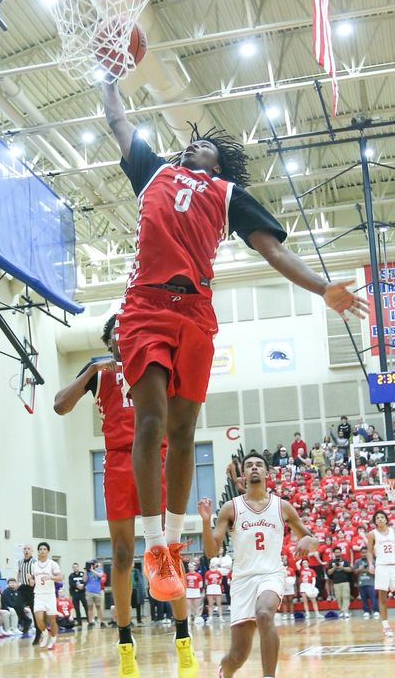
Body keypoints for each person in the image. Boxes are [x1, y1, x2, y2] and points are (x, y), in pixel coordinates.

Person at [102, 78, 368, 603]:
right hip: (145, 306)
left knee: (183, 432)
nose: (192, 145)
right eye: (190, 143)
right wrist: (111, 75)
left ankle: (173, 545)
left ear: (217, 163)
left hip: (195, 309)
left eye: (204, 145)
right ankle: (156, 545)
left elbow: (274, 252)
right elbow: (117, 119)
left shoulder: (227, 195)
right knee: (150, 419)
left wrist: (322, 288)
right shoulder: (153, 170)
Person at [54, 313, 198, 677]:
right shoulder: (100, 375)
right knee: (120, 555)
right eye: (118, 333)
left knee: (166, 549)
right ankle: (124, 644)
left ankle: (183, 640)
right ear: (110, 342)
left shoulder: (155, 367)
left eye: (130, 331)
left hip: (159, 458)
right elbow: (59, 404)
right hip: (118, 463)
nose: (124, 337)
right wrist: (88, 370)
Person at [198, 452, 318, 678]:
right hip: (242, 580)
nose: (254, 468)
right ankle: (226, 671)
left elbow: (314, 541)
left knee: (264, 614)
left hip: (271, 574)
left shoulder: (282, 506)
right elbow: (211, 551)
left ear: (266, 472)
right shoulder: (230, 508)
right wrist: (206, 522)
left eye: (259, 465)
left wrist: (306, 540)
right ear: (243, 474)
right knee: (237, 656)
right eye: (249, 465)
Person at [29, 541, 63, 650]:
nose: (42, 551)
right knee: (38, 619)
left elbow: (60, 577)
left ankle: (53, 640)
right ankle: (45, 633)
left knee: (52, 620)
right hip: (38, 595)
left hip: (50, 595)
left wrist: (50, 577)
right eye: (40, 549)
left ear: (48, 551)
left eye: (44, 549)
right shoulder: (34, 565)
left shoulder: (53, 564)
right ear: (38, 551)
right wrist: (30, 579)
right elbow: (32, 583)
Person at [367, 509, 394, 637]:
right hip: (382, 567)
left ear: (386, 519)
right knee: (382, 597)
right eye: (377, 518)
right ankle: (385, 625)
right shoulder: (372, 534)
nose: (380, 519)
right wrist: (370, 563)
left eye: (382, 517)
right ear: (375, 522)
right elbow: (369, 551)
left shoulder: (393, 532)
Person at [16, 544, 37, 639]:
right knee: (17, 605)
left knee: (34, 609)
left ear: (32, 551)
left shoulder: (35, 562)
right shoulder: (20, 561)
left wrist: (33, 580)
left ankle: (38, 629)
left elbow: (37, 575)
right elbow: (19, 572)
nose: (26, 550)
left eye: (28, 549)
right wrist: (17, 582)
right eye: (24, 549)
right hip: (23, 586)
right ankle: (27, 620)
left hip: (32, 588)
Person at [326, 546, 353, 619]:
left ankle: (346, 612)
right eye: (336, 552)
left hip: (345, 582)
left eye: (339, 552)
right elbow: (328, 572)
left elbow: (350, 570)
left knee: (346, 596)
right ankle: (341, 611)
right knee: (339, 598)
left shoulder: (345, 561)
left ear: (341, 552)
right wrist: (334, 568)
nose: (337, 553)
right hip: (336, 582)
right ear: (334, 553)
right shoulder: (331, 563)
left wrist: (342, 568)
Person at [354, 545, 379, 620]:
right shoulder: (357, 561)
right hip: (361, 583)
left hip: (371, 582)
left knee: (373, 598)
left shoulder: (372, 561)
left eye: (365, 552)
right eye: (362, 552)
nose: (364, 554)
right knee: (363, 598)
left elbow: (376, 572)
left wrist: (369, 570)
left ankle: (375, 611)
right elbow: (354, 572)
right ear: (360, 553)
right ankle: (366, 611)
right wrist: (360, 569)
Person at [204, 557, 224, 623]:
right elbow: (206, 582)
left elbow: (220, 581)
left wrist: (216, 583)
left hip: (217, 588)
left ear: (215, 565)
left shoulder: (219, 572)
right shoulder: (207, 573)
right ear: (209, 565)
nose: (212, 565)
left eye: (214, 564)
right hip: (210, 588)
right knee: (210, 604)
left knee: (219, 603)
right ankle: (210, 617)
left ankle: (220, 617)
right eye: (211, 564)